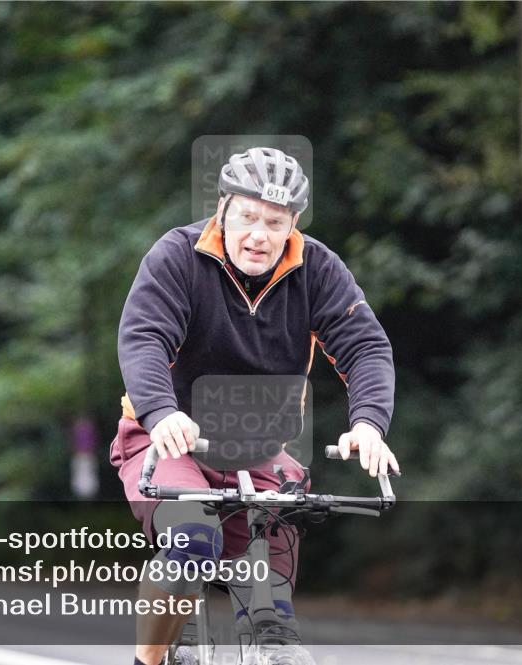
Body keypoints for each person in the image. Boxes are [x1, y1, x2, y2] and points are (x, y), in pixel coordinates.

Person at [111, 147, 398, 665]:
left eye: (274, 221)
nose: (258, 235)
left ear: (293, 223)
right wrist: (162, 412)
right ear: (222, 209)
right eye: (246, 217)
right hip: (168, 439)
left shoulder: (317, 268)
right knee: (191, 540)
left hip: (258, 451)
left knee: (270, 596)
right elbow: (144, 337)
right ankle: (148, 661)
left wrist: (369, 425)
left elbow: (366, 347)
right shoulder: (178, 256)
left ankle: (270, 639)